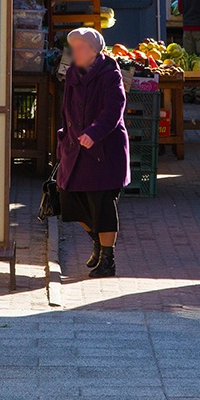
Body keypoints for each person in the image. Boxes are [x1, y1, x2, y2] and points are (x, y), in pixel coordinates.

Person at [56, 27, 131, 278]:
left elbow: (114, 110)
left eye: (79, 47)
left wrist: (94, 132)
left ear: (93, 50)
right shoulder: (72, 74)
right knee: (71, 202)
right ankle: (97, 243)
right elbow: (66, 109)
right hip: (74, 150)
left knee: (102, 205)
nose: (73, 52)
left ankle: (107, 260)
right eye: (72, 47)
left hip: (104, 152)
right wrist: (63, 137)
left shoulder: (110, 74)